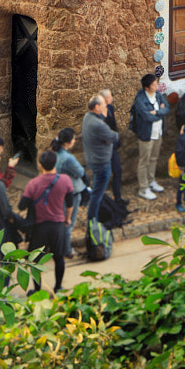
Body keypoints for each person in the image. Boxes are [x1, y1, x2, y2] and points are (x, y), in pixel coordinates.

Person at [18, 148, 73, 294]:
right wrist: (67, 219)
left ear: (41, 165)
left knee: (35, 260)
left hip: (39, 228)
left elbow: (21, 205)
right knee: (59, 257)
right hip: (57, 225)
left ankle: (37, 289)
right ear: (55, 162)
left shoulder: (33, 184)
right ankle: (58, 287)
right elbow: (70, 203)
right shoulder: (65, 180)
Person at [81, 94, 118, 238]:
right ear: (97, 107)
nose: (106, 107)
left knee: (96, 192)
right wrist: (108, 138)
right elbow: (114, 137)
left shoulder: (88, 117)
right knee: (97, 193)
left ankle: (94, 217)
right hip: (101, 163)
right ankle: (92, 220)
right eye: (103, 104)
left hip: (93, 159)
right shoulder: (98, 124)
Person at [130, 74, 168, 199]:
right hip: (147, 134)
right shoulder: (140, 99)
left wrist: (157, 112)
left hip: (158, 132)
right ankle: (143, 187)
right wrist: (158, 114)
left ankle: (151, 181)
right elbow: (147, 116)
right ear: (147, 87)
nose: (156, 85)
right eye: (153, 84)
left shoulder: (157, 95)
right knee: (144, 161)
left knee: (154, 158)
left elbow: (166, 108)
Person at [50, 129, 86, 258]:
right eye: (74, 139)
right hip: (72, 191)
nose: (75, 141)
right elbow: (81, 172)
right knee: (68, 221)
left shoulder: (56, 153)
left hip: (59, 190)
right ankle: (67, 250)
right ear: (68, 142)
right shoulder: (68, 158)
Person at [100, 88, 124, 201]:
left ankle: (117, 197)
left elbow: (114, 126)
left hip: (112, 146)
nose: (112, 98)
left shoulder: (110, 108)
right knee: (104, 174)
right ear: (105, 99)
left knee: (117, 170)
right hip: (104, 148)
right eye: (110, 97)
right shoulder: (99, 112)